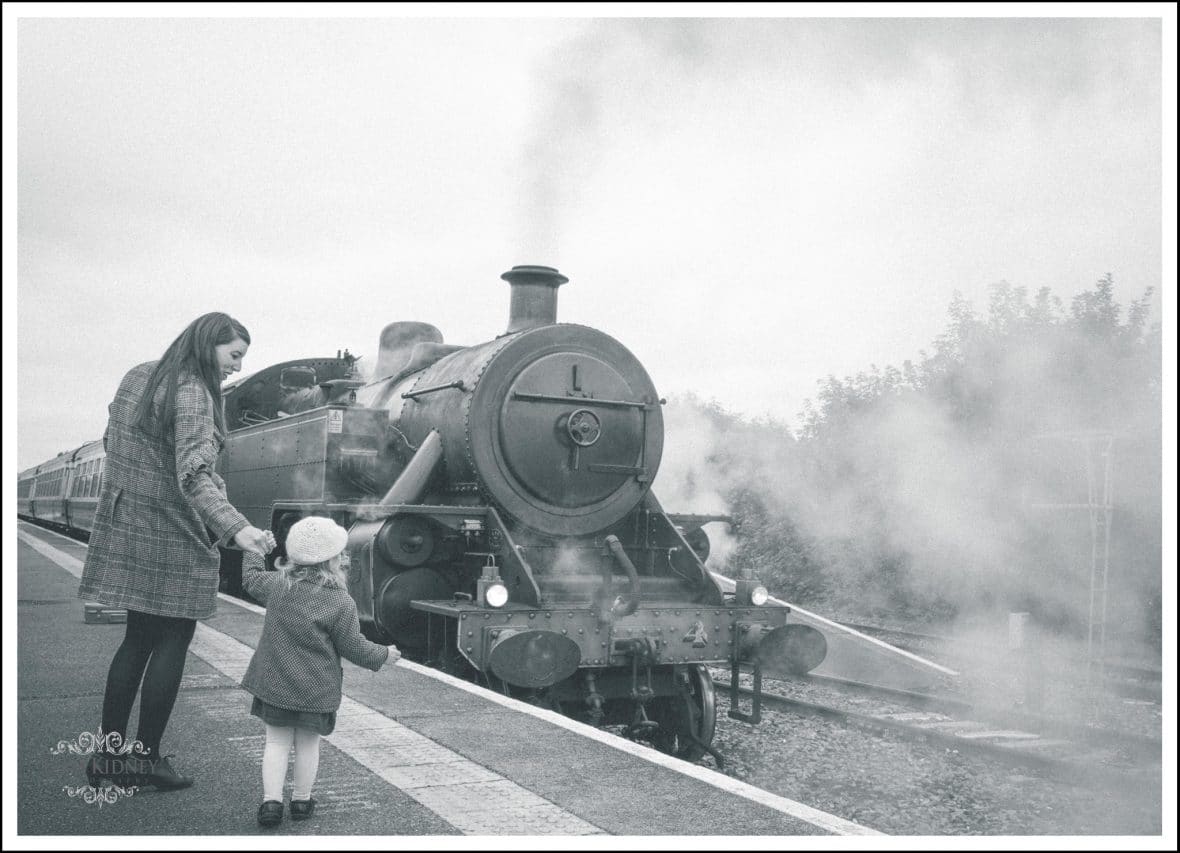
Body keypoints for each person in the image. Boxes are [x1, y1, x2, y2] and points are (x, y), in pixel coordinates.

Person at [79, 312, 276, 791]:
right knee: (172, 641)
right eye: (234, 355)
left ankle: (108, 758)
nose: (236, 366)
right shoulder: (192, 392)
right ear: (209, 344)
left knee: (136, 640)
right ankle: (145, 761)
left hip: (128, 526)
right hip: (172, 534)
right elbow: (193, 473)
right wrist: (239, 529)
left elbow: (112, 441)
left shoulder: (139, 376)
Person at [240, 516, 399, 827]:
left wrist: (254, 548)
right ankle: (301, 801)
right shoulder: (340, 601)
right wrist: (384, 654)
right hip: (315, 690)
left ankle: (270, 804)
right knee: (308, 745)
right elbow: (353, 646)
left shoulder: (278, 585)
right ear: (334, 559)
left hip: (275, 684)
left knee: (276, 743)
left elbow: (251, 578)